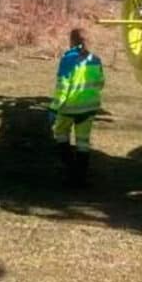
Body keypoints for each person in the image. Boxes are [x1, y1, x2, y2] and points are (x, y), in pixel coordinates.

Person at [49, 28, 105, 185]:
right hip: (89, 108)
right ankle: (80, 176)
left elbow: (63, 87)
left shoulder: (68, 60)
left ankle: (68, 167)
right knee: (83, 141)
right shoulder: (96, 59)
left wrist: (54, 107)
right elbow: (100, 83)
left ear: (72, 41)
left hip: (69, 107)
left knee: (61, 133)